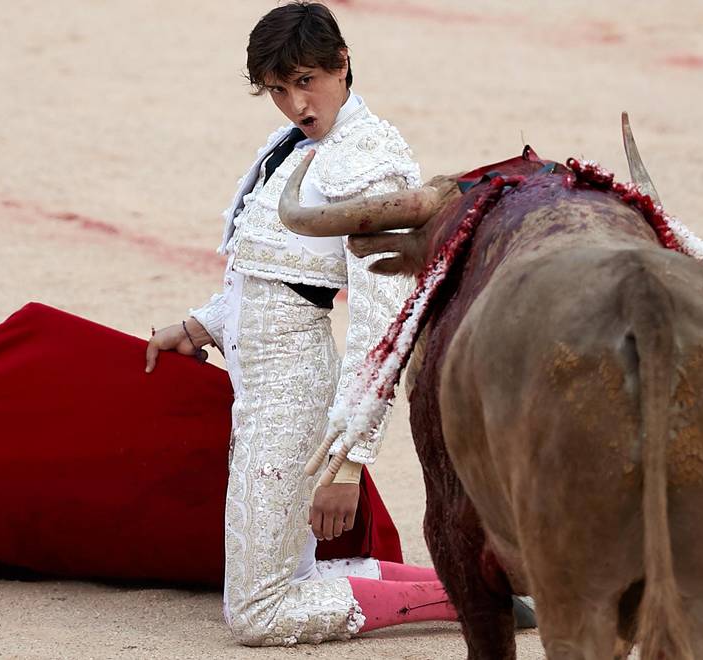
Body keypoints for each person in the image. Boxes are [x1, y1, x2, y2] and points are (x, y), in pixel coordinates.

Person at [146, 2, 534, 646]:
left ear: (342, 63)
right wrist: (201, 324)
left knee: (258, 612)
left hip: (294, 394)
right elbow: (274, 276)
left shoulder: (370, 159)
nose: (295, 102)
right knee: (280, 576)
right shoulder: (292, 145)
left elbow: (385, 327)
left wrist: (348, 463)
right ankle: (475, 582)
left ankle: (464, 594)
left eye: (305, 80)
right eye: (277, 88)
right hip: (262, 383)